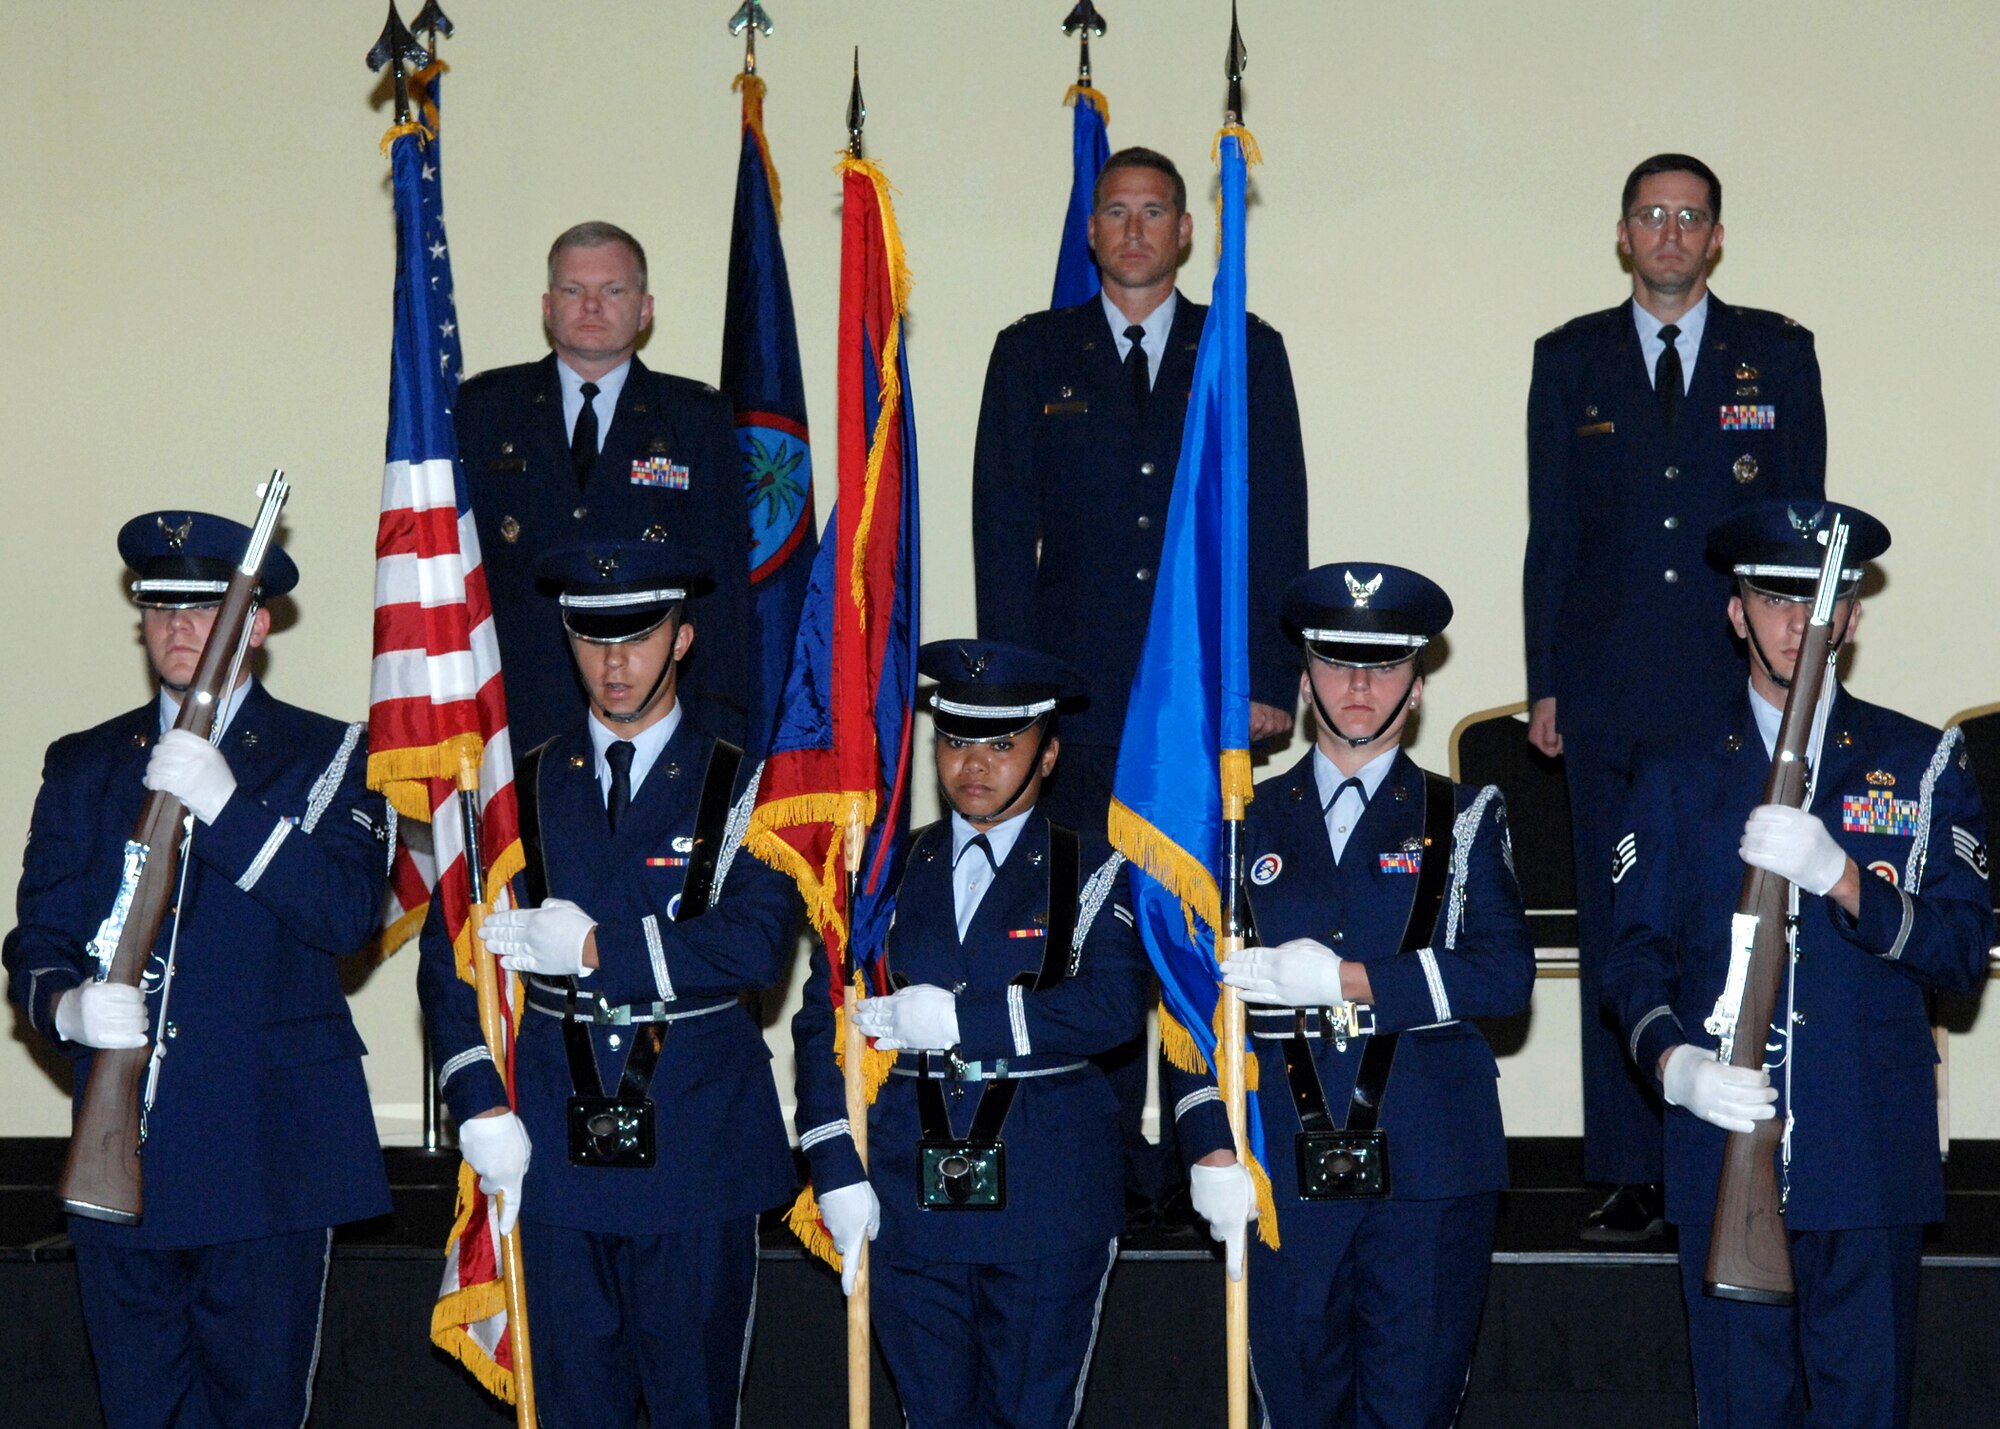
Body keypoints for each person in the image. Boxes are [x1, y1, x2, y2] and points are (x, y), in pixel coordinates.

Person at [973, 144, 1310, 1215]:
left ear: (1185, 232)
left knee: (1199, 918)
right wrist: (1011, 699)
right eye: (1114, 211)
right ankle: (1099, 1151)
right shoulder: (1031, 353)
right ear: (1090, 231)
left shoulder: (1242, 347)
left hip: (1197, 697)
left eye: (1153, 211)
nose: (1130, 230)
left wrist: (1264, 676)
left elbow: (1274, 519)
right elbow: (1000, 529)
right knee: (1087, 922)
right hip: (1073, 698)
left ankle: (1204, 1145)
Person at [1603, 499, 1990, 1426]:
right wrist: (1675, 1064)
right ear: (1735, 611)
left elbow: (1963, 951)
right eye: (1773, 597)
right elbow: (1634, 957)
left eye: (1820, 599)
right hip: (1720, 1153)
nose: (1796, 622)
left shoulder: (1922, 761)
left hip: (1868, 1163)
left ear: (1853, 615)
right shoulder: (1677, 770)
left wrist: (1846, 880)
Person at [4, 509, 391, 1426]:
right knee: (137, 1408)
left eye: (206, 608)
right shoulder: (86, 763)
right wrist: (65, 1010)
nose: (180, 628)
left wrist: (227, 807)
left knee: (256, 1409)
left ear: (253, 624)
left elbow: (346, 916)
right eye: (160, 606)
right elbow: (38, 934)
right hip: (124, 1148)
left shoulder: (335, 754)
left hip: (271, 1153)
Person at [417, 535, 800, 1427]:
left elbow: (754, 946)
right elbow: (450, 957)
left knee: (691, 1410)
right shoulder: (522, 786)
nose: (614, 660)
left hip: (698, 1155)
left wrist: (597, 950)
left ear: (682, 636)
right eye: (592, 637)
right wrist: (476, 1101)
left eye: (637, 634)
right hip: (549, 1153)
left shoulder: (746, 784)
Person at [1522, 153, 1828, 1237]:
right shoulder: (1567, 361)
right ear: (1622, 234)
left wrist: (1795, 680)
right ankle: (1627, 1162)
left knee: (1724, 921)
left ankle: (1738, 1136)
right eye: (1649, 215)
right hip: (1602, 694)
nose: (1667, 233)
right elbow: (1549, 535)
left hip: (1725, 690)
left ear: (1713, 239)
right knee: (1621, 925)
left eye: (1687, 217)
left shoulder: (1774, 357)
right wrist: (1543, 680)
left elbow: (1800, 537)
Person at [1176, 563, 1535, 1428]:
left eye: (1383, 665)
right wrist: (1204, 1143)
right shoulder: (1234, 824)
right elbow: (1186, 1007)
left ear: (1416, 687)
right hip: (1277, 1165)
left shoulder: (1466, 814)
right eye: (1337, 663)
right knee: (1293, 1409)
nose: (1360, 683)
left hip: (1430, 1168)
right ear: (1303, 683)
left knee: (1413, 1410)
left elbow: (1504, 975)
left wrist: (1346, 981)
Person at [794, 639, 1149, 1428]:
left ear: (1047, 753)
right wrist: (831, 1162)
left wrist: (963, 1022)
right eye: (955, 740)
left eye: (1002, 742)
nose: (974, 764)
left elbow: (1114, 1008)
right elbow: (823, 1018)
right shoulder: (882, 870)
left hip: (1046, 1205)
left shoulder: (1096, 869)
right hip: (906, 1204)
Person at [456, 220, 751, 753]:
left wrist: (720, 725)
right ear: (548, 307)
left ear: (645, 309)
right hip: (510, 710)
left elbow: (722, 585)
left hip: (654, 716)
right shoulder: (485, 409)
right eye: (574, 290)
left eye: (612, 290)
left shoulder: (695, 418)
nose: (591, 306)